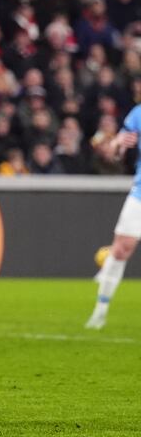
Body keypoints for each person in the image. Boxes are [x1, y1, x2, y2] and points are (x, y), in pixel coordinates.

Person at [86, 101, 141, 330]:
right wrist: (120, 143)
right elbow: (116, 151)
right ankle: (100, 311)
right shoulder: (138, 113)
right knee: (121, 248)